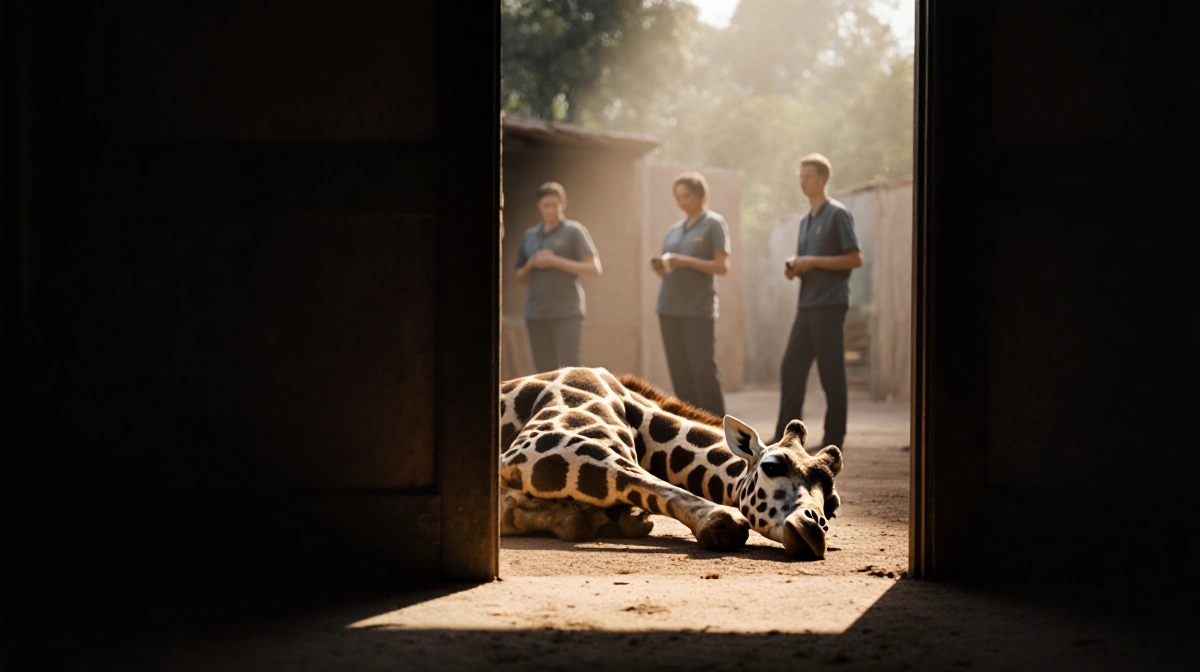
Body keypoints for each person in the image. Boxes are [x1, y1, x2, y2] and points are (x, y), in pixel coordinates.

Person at [774, 154, 863, 448]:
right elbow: (808, 264)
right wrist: (796, 268)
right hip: (807, 305)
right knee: (791, 368)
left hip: (829, 305)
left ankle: (835, 437)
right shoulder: (805, 221)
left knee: (830, 372)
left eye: (808, 176)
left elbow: (855, 258)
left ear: (823, 179)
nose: (802, 181)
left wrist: (812, 261)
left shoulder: (837, 213)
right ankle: (788, 439)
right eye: (800, 176)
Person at [650, 172, 730, 416]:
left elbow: (721, 267)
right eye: (678, 197)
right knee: (679, 373)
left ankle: (717, 429)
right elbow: (669, 273)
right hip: (668, 308)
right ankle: (691, 428)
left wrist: (686, 261)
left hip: (698, 311)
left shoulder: (713, 224)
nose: (682, 202)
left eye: (687, 196)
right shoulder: (674, 230)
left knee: (703, 372)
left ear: (700, 195)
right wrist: (660, 267)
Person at [515, 182, 602, 373]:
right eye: (546, 205)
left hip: (567, 312)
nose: (550, 209)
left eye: (554, 204)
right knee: (543, 371)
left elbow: (594, 268)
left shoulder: (574, 231)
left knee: (570, 369)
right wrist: (531, 264)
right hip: (536, 312)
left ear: (563, 203)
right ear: (539, 206)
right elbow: (519, 276)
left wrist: (556, 261)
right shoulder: (530, 235)